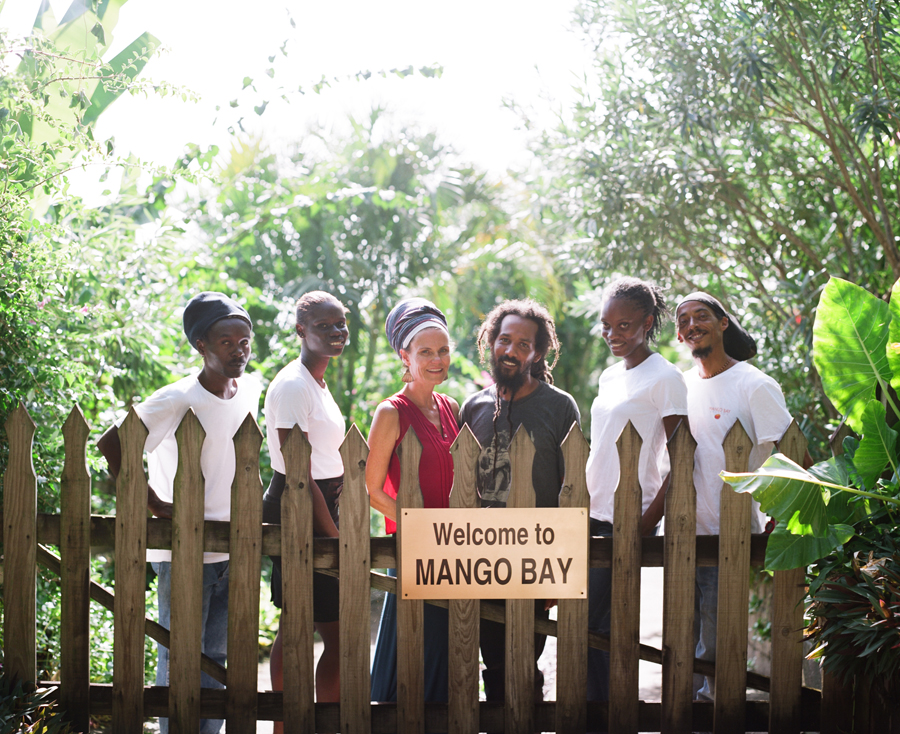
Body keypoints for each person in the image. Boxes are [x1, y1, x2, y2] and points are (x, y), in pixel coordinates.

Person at [97, 292, 261, 734]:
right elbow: (112, 443)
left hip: (232, 546)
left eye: (244, 340)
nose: (238, 350)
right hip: (183, 549)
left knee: (218, 658)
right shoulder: (177, 398)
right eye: (225, 342)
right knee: (179, 656)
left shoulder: (250, 389)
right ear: (200, 346)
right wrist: (152, 502)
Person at [675, 291, 802, 701]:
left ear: (723, 322)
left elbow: (791, 454)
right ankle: (689, 714)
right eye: (684, 320)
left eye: (702, 315)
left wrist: (784, 513)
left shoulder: (755, 384)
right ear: (679, 335)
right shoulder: (682, 386)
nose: (692, 324)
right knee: (681, 636)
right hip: (680, 532)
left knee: (715, 639)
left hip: (728, 531)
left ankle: (713, 714)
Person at [458, 298, 580, 703]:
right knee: (492, 662)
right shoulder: (472, 406)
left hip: (536, 558)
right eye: (504, 340)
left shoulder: (560, 406)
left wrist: (559, 573)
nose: (510, 351)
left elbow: (573, 491)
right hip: (480, 558)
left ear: (539, 352)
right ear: (491, 341)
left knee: (525, 660)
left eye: (523, 344)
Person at [584, 278, 687, 704]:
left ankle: (607, 712)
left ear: (647, 323)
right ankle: (594, 710)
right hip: (589, 514)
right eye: (607, 326)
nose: (613, 335)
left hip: (626, 519)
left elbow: (683, 460)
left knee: (600, 625)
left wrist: (648, 521)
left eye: (624, 326)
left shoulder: (666, 377)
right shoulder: (610, 376)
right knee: (587, 625)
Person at [261, 291, 348, 727]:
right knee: (299, 628)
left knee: (329, 630)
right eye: (324, 326)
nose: (336, 332)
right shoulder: (294, 385)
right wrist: (331, 531)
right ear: (301, 330)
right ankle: (284, 724)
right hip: (298, 506)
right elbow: (299, 470)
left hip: (320, 502)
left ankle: (318, 724)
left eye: (341, 324)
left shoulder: (316, 382)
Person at [367, 297, 460, 703]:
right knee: (410, 652)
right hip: (416, 551)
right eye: (425, 352)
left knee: (448, 653)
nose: (437, 359)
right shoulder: (391, 412)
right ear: (405, 356)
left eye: (442, 350)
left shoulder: (451, 406)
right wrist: (417, 525)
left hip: (456, 550)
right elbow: (371, 490)